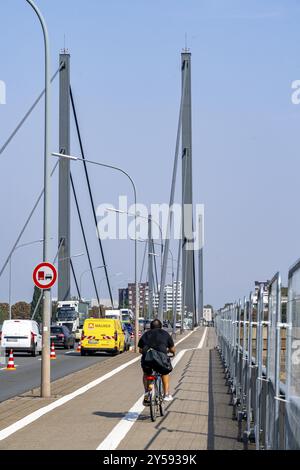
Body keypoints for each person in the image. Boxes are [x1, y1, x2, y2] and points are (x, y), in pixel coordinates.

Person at [138, 318, 176, 405]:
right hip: (161, 360)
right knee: (165, 372)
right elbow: (172, 348)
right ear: (161, 327)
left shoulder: (146, 334)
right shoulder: (165, 334)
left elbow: (140, 349)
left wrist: (146, 353)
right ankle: (166, 394)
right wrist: (172, 352)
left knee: (146, 374)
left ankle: (147, 392)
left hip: (148, 360)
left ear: (150, 327)